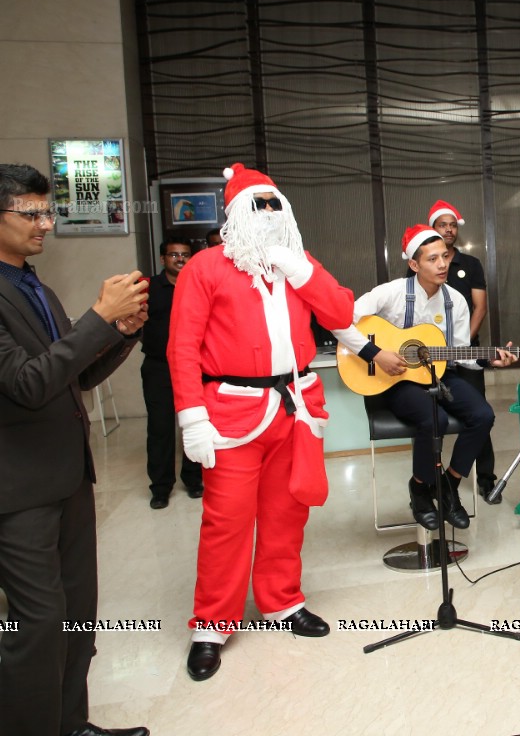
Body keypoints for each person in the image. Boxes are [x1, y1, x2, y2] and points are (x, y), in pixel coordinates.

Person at [169, 163, 355, 681]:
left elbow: (341, 313)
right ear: (236, 214)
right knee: (226, 521)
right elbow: (181, 347)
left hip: (293, 406)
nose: (270, 213)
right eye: (259, 204)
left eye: (276, 203)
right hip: (230, 411)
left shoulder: (299, 263)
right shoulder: (204, 268)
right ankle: (212, 624)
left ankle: (281, 601)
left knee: (287, 512)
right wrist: (192, 418)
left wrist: (299, 270)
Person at [0, 163, 150, 736]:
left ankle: (71, 723)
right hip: (19, 488)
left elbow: (74, 376)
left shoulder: (34, 283)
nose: (45, 224)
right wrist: (96, 318)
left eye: (47, 211)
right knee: (38, 625)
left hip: (68, 478)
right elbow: (27, 383)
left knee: (75, 615)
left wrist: (121, 331)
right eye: (30, 213)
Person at [333, 224, 515, 531]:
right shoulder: (390, 293)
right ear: (414, 264)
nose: (442, 264)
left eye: (444, 256)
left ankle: (447, 486)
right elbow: (339, 320)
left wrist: (490, 360)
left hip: (439, 374)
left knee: (483, 415)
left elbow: (459, 352)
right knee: (435, 421)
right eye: (432, 259)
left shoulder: (455, 300)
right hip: (395, 380)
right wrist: (375, 353)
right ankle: (420, 490)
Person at [425, 200, 500, 503]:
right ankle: (430, 481)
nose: (449, 230)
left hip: (466, 350)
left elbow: (480, 307)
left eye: (453, 225)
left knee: (479, 413)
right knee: (432, 418)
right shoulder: (423, 263)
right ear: (433, 229)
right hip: (431, 356)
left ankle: (487, 480)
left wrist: (460, 347)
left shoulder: (471, 265)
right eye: (443, 225)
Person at [142, 234, 203, 508]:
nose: (180, 259)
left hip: (194, 366)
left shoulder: (198, 286)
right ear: (163, 258)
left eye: (185, 254)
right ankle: (160, 488)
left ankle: (193, 480)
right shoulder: (149, 288)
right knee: (160, 428)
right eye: (174, 255)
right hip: (158, 368)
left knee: (194, 423)